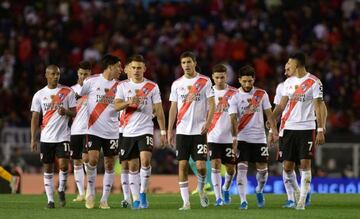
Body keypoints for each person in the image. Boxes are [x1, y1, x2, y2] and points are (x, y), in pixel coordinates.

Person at [271, 52, 327, 210]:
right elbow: (281, 106)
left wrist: (320, 129)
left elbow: (319, 106)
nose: (287, 65)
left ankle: (301, 202)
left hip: (306, 128)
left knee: (304, 165)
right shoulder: (288, 82)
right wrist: (271, 119)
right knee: (287, 167)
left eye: (289, 62)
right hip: (288, 128)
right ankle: (298, 192)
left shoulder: (314, 82)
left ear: (297, 64)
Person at [115, 54, 167, 209]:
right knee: (132, 166)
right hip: (127, 131)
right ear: (129, 69)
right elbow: (116, 106)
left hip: (145, 129)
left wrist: (163, 132)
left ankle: (143, 193)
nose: (136, 70)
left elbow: (158, 110)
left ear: (144, 69)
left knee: (145, 160)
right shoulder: (122, 86)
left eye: (139, 67)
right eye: (134, 67)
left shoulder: (152, 87)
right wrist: (128, 102)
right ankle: (135, 198)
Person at [167, 51, 215, 210]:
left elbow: (212, 104)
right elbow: (173, 108)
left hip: (199, 131)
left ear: (195, 62)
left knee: (201, 166)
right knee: (182, 165)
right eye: (183, 63)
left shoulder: (205, 81)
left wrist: (208, 123)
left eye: (189, 62)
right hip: (182, 132)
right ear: (181, 65)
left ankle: (201, 189)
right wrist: (169, 130)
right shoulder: (177, 84)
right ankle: (186, 202)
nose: (186, 65)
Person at [228, 65, 278, 210]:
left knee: (263, 170)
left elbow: (269, 114)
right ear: (239, 80)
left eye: (250, 81)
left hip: (259, 137)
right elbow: (233, 119)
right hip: (242, 136)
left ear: (254, 79)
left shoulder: (262, 94)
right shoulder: (234, 97)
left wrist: (273, 131)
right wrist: (234, 139)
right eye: (244, 81)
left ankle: (259, 190)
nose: (248, 84)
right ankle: (243, 201)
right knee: (241, 168)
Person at [80, 54, 123, 209]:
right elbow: (77, 97)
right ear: (110, 66)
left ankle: (104, 199)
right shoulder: (91, 81)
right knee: (92, 159)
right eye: (118, 66)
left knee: (110, 164)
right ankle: (90, 192)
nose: (121, 69)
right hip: (93, 128)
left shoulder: (120, 86)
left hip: (112, 130)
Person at [30, 65, 77, 208]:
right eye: (52, 74)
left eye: (57, 74)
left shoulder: (68, 91)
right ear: (46, 75)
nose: (56, 76)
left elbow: (74, 112)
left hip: (63, 136)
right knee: (48, 168)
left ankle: (61, 189)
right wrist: (33, 138)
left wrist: (66, 112)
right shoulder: (39, 94)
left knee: (64, 166)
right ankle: (50, 200)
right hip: (46, 138)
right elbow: (35, 117)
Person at [207, 64, 237, 206]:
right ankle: (218, 198)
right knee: (216, 164)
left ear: (226, 77)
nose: (219, 80)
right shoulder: (208, 93)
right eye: (217, 77)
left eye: (222, 77)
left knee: (231, 169)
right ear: (213, 77)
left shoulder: (235, 93)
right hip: (213, 136)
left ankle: (226, 188)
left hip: (229, 137)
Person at [70, 61, 91, 202]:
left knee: (87, 160)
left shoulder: (94, 89)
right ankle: (81, 193)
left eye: (86, 74)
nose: (83, 76)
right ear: (78, 74)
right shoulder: (71, 90)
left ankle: (90, 191)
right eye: (81, 74)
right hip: (75, 130)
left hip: (90, 129)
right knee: (76, 161)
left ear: (90, 74)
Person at [118, 59, 132, 208]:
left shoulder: (144, 87)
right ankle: (126, 197)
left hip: (137, 130)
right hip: (122, 130)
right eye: (128, 68)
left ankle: (138, 194)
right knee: (124, 164)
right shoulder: (120, 86)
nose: (129, 70)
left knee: (137, 163)